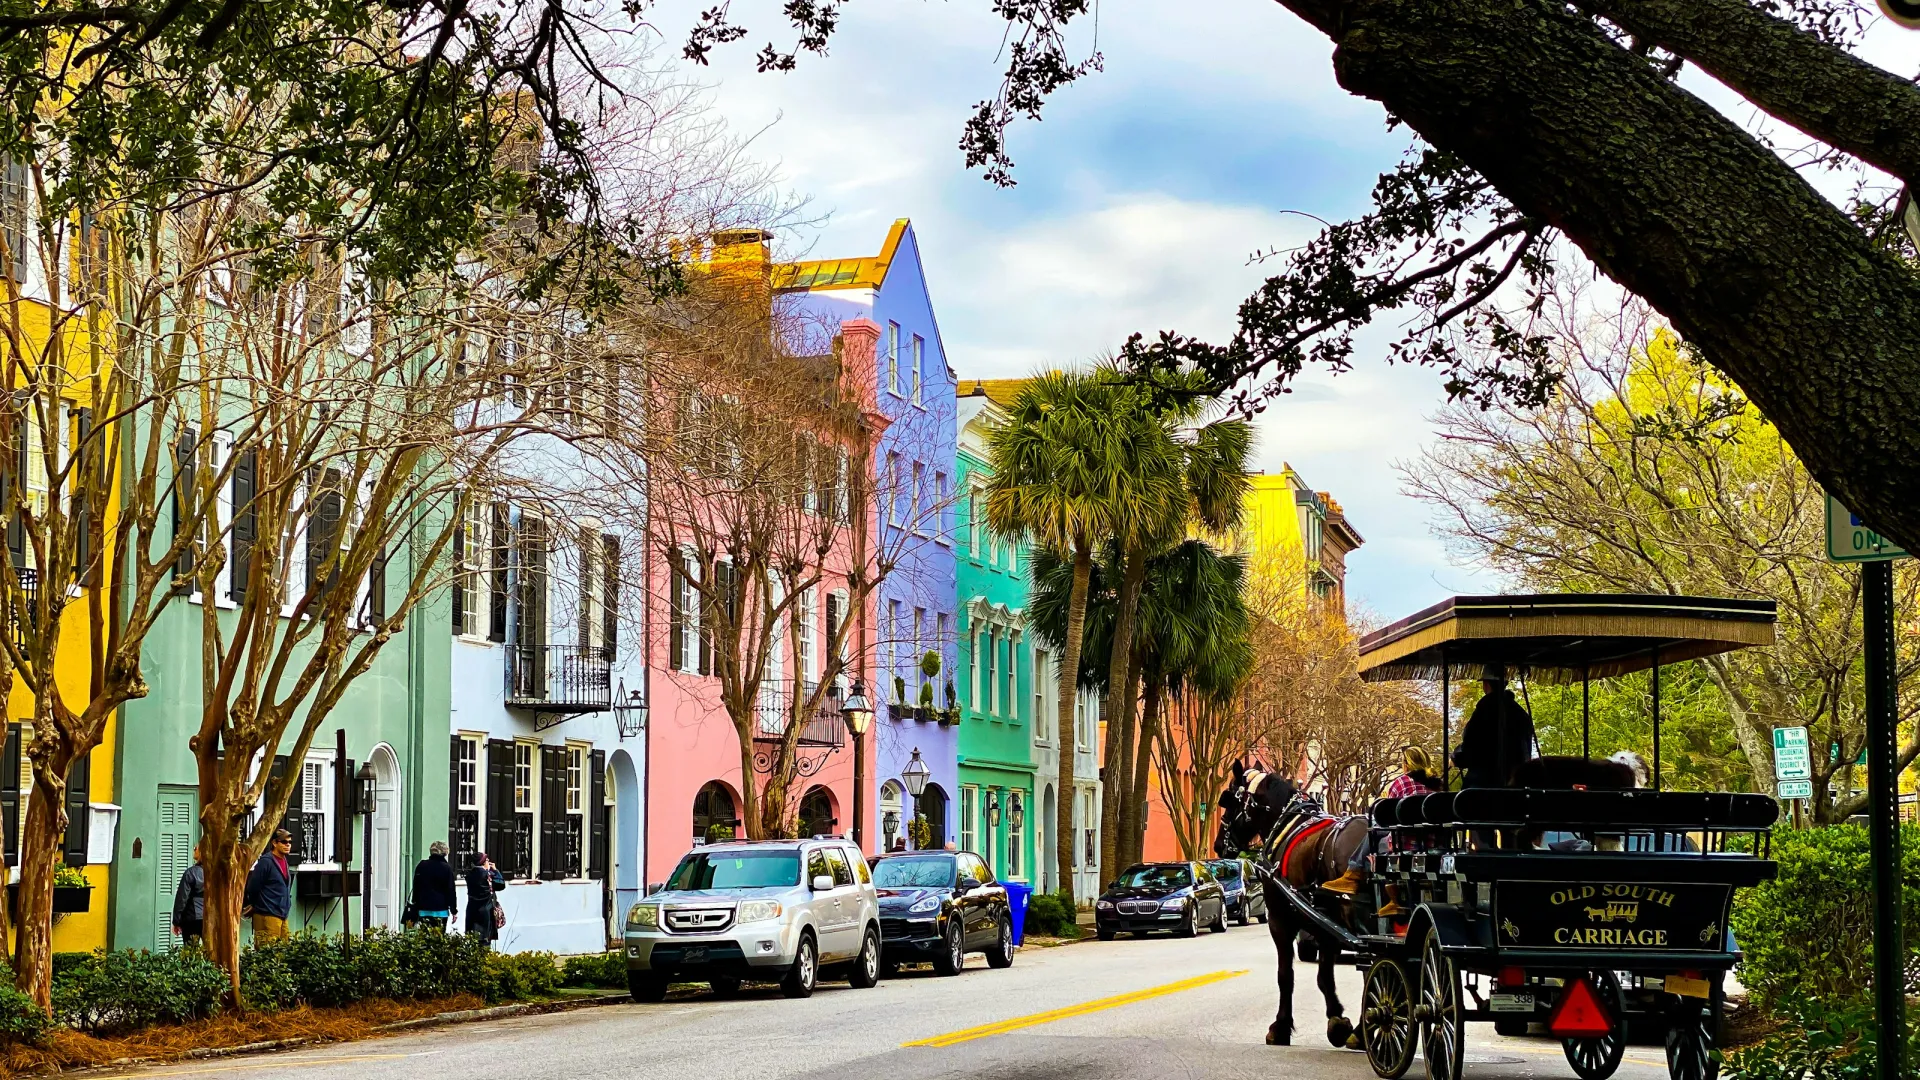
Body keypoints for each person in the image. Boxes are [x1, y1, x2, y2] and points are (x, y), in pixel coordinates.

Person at [1323, 747, 1442, 913]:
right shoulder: (1437, 787)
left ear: (1407, 765)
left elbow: (1385, 816)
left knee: (1374, 835)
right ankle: (1355, 875)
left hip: (1403, 844)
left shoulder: (1402, 782)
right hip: (1430, 843)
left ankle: (1355, 874)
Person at [1452, 667, 1538, 788]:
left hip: (1483, 784)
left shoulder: (1483, 711)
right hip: (1515, 784)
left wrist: (1457, 757)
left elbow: (1470, 749)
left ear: (1486, 684)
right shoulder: (1521, 713)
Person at [242, 829, 295, 942]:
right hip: (267, 913)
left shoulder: (284, 861)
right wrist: (258, 905)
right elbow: (253, 887)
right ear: (274, 843)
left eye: (289, 842)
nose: (288, 845)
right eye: (284, 842)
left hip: (282, 914)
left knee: (284, 951)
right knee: (268, 951)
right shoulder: (266, 862)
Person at [411, 841, 458, 930]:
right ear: (445, 853)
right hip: (441, 910)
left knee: (425, 938)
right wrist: (453, 910)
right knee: (438, 939)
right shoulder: (446, 868)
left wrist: (415, 904)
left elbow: (416, 886)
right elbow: (450, 890)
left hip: (423, 909)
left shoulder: (422, 865)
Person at [464, 852, 507, 948]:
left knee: (473, 940)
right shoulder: (487, 876)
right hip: (486, 911)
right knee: (485, 941)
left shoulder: (469, 875)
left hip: (472, 910)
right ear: (483, 862)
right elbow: (501, 884)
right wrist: (495, 871)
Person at [172, 845, 206, 946]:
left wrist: (176, 921)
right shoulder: (216, 873)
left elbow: (182, 899)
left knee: (190, 954)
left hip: (192, 918)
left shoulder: (191, 873)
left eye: (196, 848)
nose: (194, 849)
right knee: (210, 952)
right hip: (210, 918)